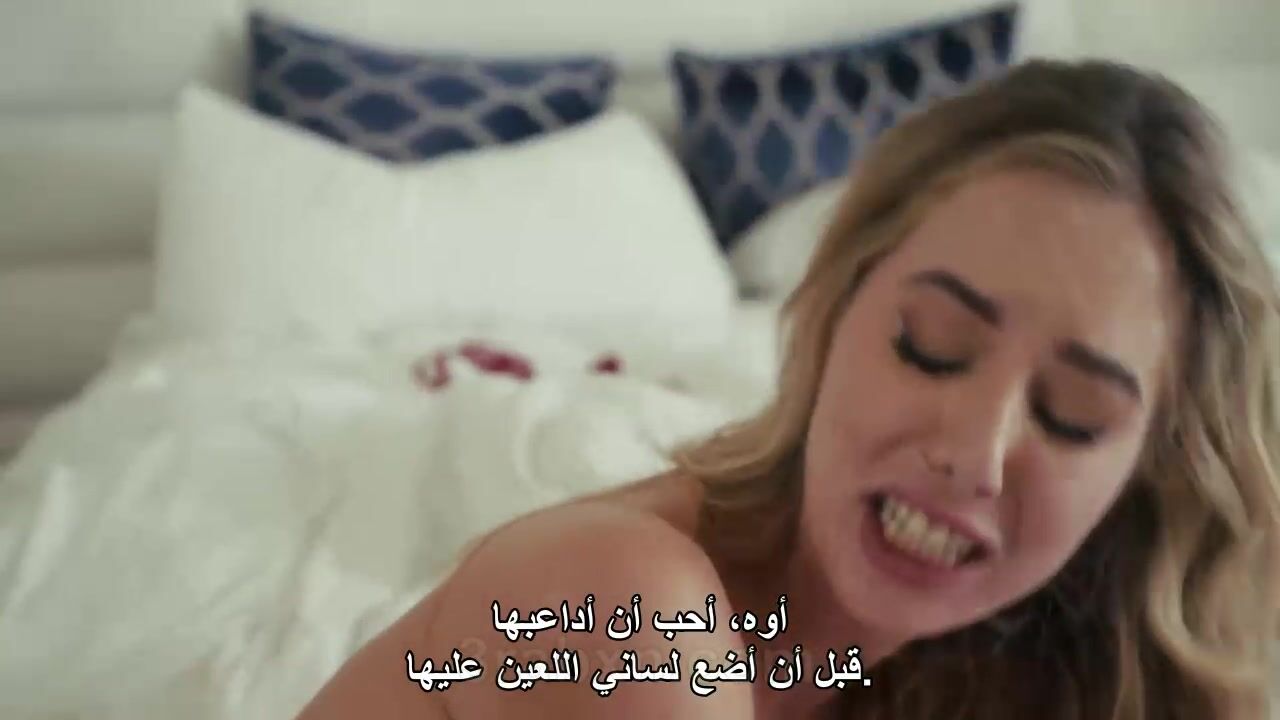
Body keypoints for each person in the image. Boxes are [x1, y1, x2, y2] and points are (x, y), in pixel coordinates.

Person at [294, 59, 1280, 719]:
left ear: (1143, 473)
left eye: (1073, 418)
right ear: (832, 310)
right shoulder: (625, 608)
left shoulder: (1005, 665)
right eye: (931, 347)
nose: (970, 454)